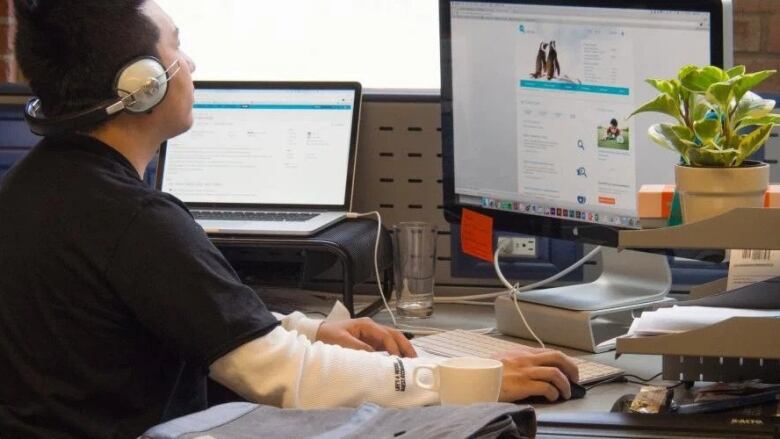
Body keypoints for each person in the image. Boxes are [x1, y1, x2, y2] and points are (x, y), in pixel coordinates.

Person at [0, 1, 578, 437]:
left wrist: (306, 327)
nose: (191, 64)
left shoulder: (34, 188)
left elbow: (182, 311)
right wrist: (473, 381)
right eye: (177, 49)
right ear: (143, 85)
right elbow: (288, 378)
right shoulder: (133, 221)